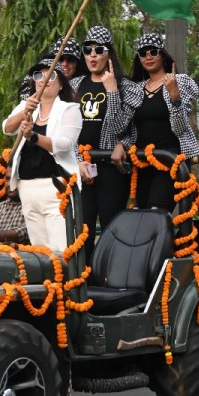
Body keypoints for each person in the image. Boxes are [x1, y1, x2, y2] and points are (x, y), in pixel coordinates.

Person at [3, 57, 82, 252]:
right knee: (39, 249)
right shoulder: (26, 106)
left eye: (51, 75)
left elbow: (64, 144)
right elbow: (7, 128)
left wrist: (33, 136)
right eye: (39, 75)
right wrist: (25, 112)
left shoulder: (69, 109)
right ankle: (47, 282)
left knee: (60, 248)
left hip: (56, 187)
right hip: (28, 187)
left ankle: (65, 282)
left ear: (61, 83)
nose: (43, 79)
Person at [116, 31, 199, 212]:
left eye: (153, 51)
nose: (148, 56)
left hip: (171, 159)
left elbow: (179, 128)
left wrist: (174, 95)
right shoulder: (135, 89)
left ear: (162, 54)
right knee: (142, 214)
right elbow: (127, 129)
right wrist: (121, 144)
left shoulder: (180, 82)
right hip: (143, 162)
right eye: (143, 53)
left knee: (157, 210)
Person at [70, 25, 133, 261]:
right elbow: (66, 131)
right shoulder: (75, 85)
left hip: (111, 169)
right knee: (81, 230)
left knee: (110, 229)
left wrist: (112, 92)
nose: (93, 55)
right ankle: (82, 286)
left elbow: (124, 129)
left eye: (99, 50)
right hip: (81, 168)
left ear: (110, 53)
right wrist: (77, 160)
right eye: (88, 50)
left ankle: (110, 284)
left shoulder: (126, 86)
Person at [18, 36, 82, 100]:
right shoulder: (36, 76)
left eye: (70, 60)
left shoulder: (83, 82)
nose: (65, 64)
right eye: (60, 59)